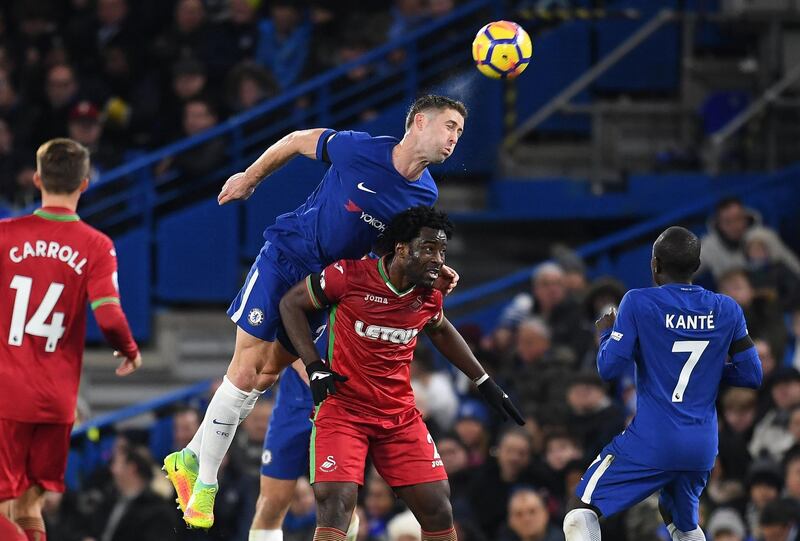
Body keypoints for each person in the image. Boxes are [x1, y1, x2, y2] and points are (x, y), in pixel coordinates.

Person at [164, 94, 467, 530]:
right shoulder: (360, 148)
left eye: (460, 131)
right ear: (419, 122)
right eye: (450, 126)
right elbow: (296, 140)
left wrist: (434, 267)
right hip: (285, 257)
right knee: (247, 369)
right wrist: (250, 177)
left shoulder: (425, 193)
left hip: (323, 290)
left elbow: (397, 251)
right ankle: (204, 478)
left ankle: (190, 457)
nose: (455, 137)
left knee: (266, 374)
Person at [279, 206, 524, 541]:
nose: (438, 258)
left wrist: (483, 381)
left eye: (442, 251)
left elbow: (440, 329)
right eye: (429, 248)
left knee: (438, 508)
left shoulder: (427, 295)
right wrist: (314, 365)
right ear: (402, 249)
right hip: (343, 410)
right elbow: (291, 304)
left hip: (398, 416)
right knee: (336, 504)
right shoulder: (348, 276)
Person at [562, 226, 763, 541]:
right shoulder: (726, 308)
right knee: (680, 521)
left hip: (655, 439)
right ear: (696, 267)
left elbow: (609, 369)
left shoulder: (638, 302)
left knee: (580, 511)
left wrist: (605, 332)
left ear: (654, 264)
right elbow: (752, 374)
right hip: (702, 447)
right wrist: (706, 373)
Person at [0, 138, 142, 541]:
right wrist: (129, 350)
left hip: (7, 392)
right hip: (56, 399)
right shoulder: (97, 245)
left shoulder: (5, 235)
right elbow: (110, 316)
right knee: (28, 505)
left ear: (37, 179)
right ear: (84, 184)